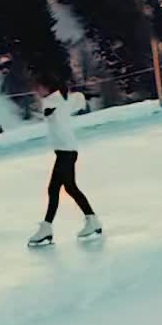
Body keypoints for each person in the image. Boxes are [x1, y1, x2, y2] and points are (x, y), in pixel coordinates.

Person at [27, 82, 102, 246]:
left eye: (39, 86)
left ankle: (47, 228)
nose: (37, 89)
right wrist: (85, 94)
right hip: (67, 150)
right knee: (69, 187)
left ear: (47, 87)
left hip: (65, 151)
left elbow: (50, 110)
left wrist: (49, 111)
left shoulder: (51, 101)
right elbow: (77, 100)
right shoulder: (64, 99)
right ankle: (92, 220)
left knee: (55, 188)